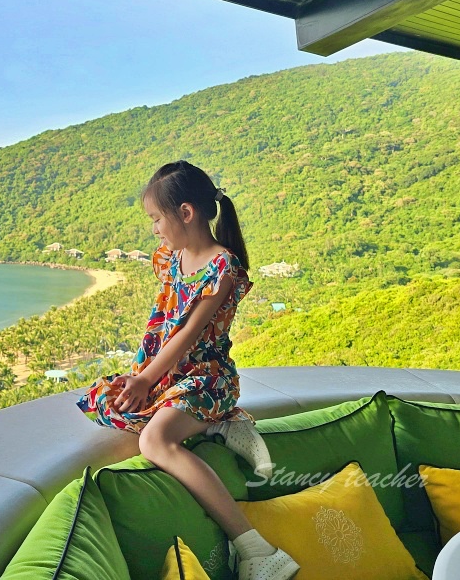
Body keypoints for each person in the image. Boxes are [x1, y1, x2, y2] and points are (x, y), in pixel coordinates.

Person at [76, 161, 299, 580]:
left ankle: (256, 548)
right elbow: (163, 322)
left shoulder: (223, 268)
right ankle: (219, 427)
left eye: (157, 218)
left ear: (186, 212)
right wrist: (141, 376)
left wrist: (146, 380)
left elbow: (188, 335)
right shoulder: (172, 257)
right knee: (108, 403)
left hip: (207, 378)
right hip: (169, 376)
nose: (154, 229)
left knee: (155, 441)